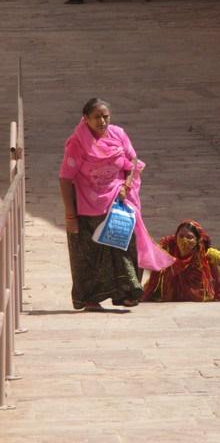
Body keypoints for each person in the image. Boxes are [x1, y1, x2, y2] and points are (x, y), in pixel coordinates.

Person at [59, 98, 174, 311]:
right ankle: (90, 299)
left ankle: (126, 295)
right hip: (88, 207)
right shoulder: (77, 144)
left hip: (117, 203)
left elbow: (131, 161)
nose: (102, 121)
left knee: (125, 247)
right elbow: (65, 178)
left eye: (105, 116)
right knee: (90, 255)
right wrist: (70, 216)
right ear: (86, 119)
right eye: (96, 117)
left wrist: (126, 186)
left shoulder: (118, 134)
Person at [142, 220, 220, 302]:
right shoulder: (169, 249)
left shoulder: (206, 253)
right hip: (172, 296)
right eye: (181, 236)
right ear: (176, 237)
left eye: (189, 237)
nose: (184, 241)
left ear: (197, 240)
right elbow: (146, 257)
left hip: (200, 296)